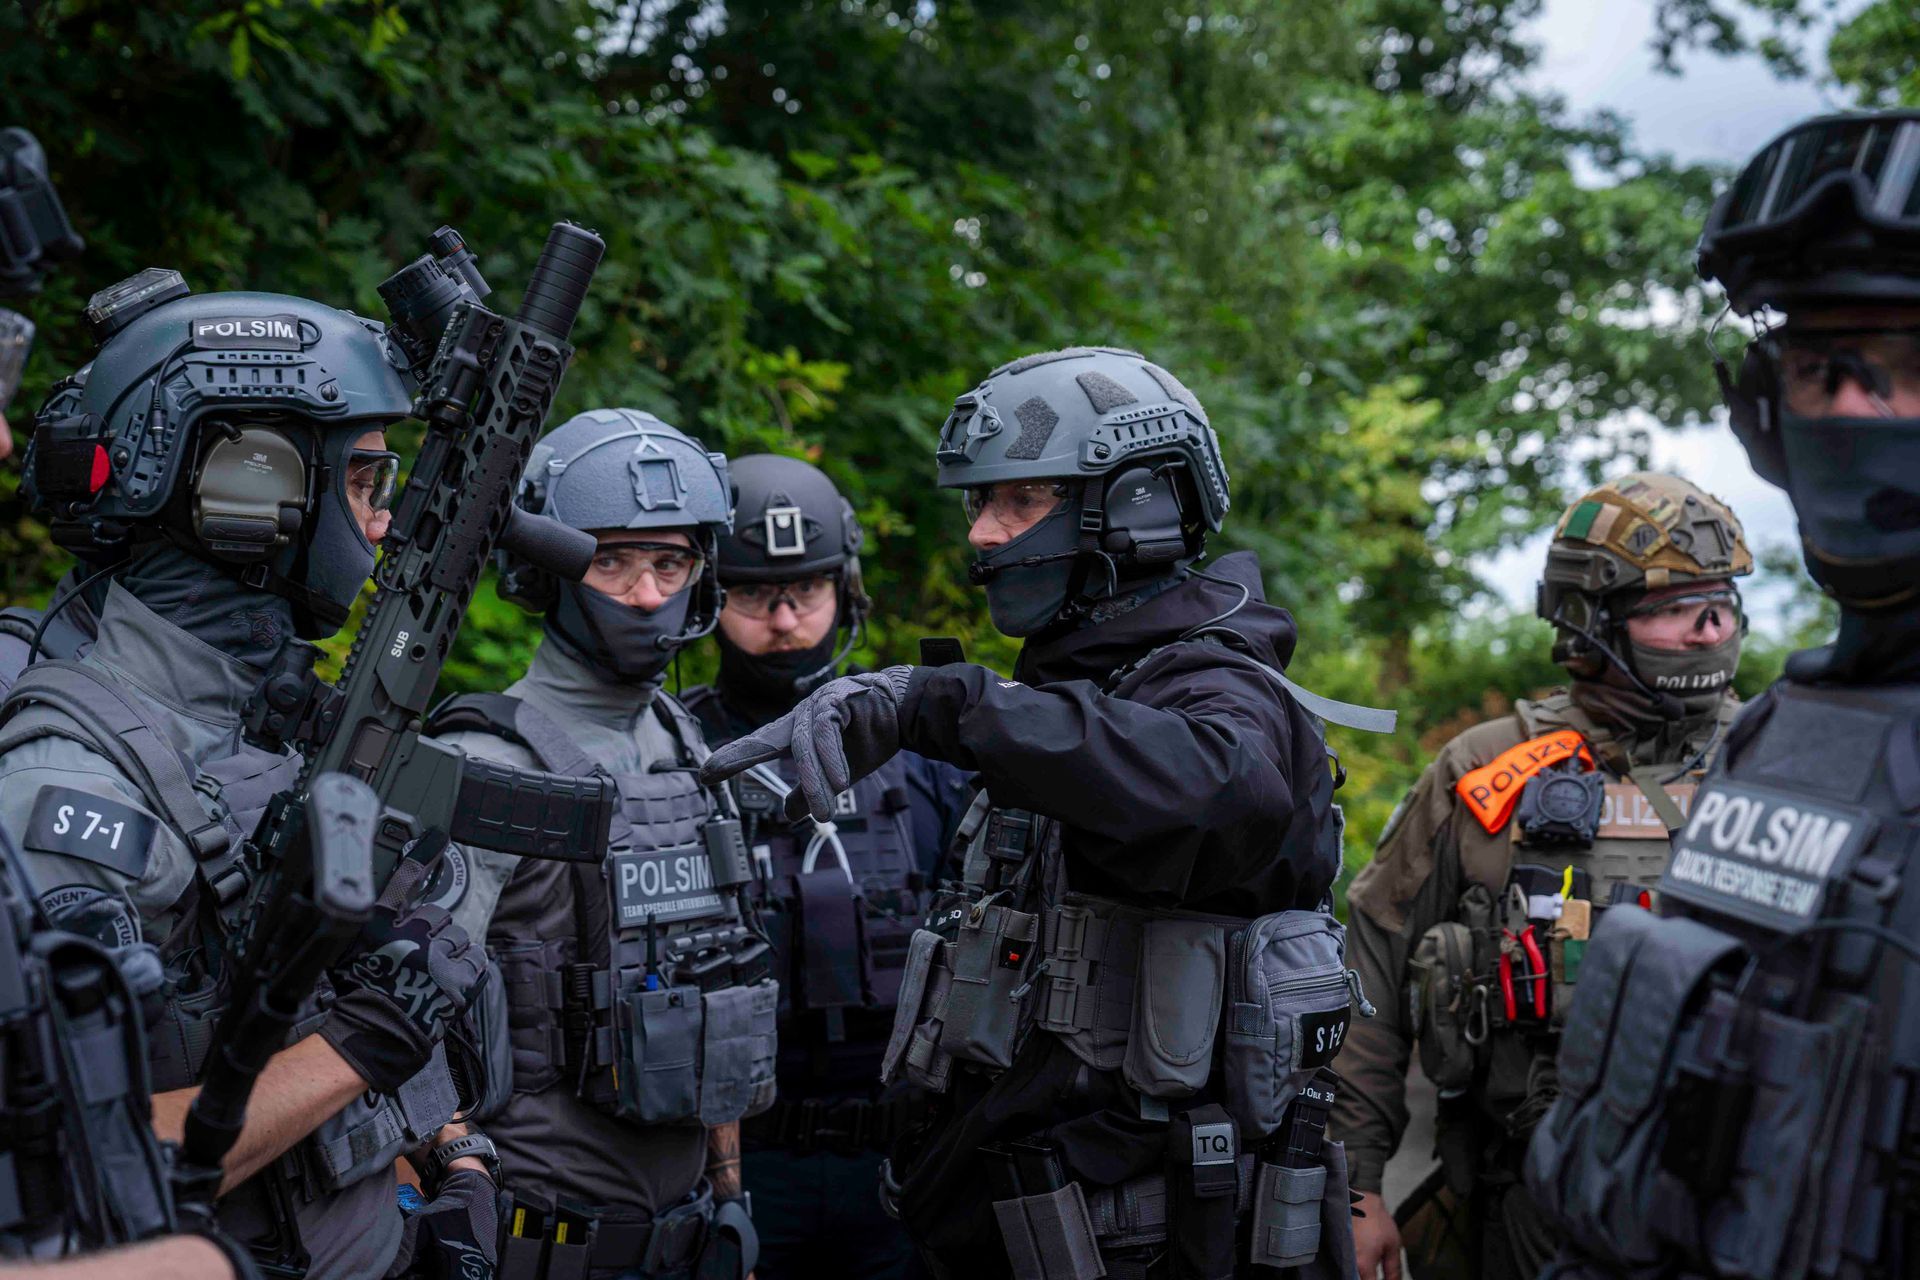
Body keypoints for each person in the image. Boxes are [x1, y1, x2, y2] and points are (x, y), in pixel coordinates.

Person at [702, 346, 1379, 1279]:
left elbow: (1228, 791)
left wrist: (943, 703)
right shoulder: (1088, 689)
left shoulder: (1218, 683)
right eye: (980, 504)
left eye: (1019, 501)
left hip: (1158, 1241)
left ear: (1137, 505)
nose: (985, 535)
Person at [1, 274, 493, 1279]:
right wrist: (357, 1047)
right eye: (362, 482)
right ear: (250, 490)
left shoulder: (262, 719)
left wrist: (443, 1162)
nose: (381, 523)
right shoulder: (73, 791)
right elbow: (77, 1182)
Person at [1523, 107, 1920, 1280]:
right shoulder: (1787, 730)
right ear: (1762, 415)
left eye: (1908, 370)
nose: (1854, 413)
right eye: (1822, 369)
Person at [1329, 473, 1752, 1280]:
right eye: (1673, 608)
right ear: (1588, 620)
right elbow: (1373, 965)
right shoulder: (1491, 767)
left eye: (1720, 605)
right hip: (1534, 1201)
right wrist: (1357, 1187)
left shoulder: (1778, 760)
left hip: (1742, 1204)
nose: (1709, 631)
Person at [428, 408, 770, 1280]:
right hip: (533, 1243)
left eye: (670, 563)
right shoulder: (486, 764)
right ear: (545, 573)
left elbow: (715, 980)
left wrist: (731, 1194)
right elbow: (394, 1030)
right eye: (609, 561)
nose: (648, 595)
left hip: (689, 1239)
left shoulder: (688, 747)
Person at [680, 453, 970, 1280]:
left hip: (902, 1162)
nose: (784, 620)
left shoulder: (928, 748)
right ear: (709, 600)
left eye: (806, 590)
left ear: (846, 590)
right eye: (752, 595)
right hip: (739, 1161)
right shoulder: (677, 756)